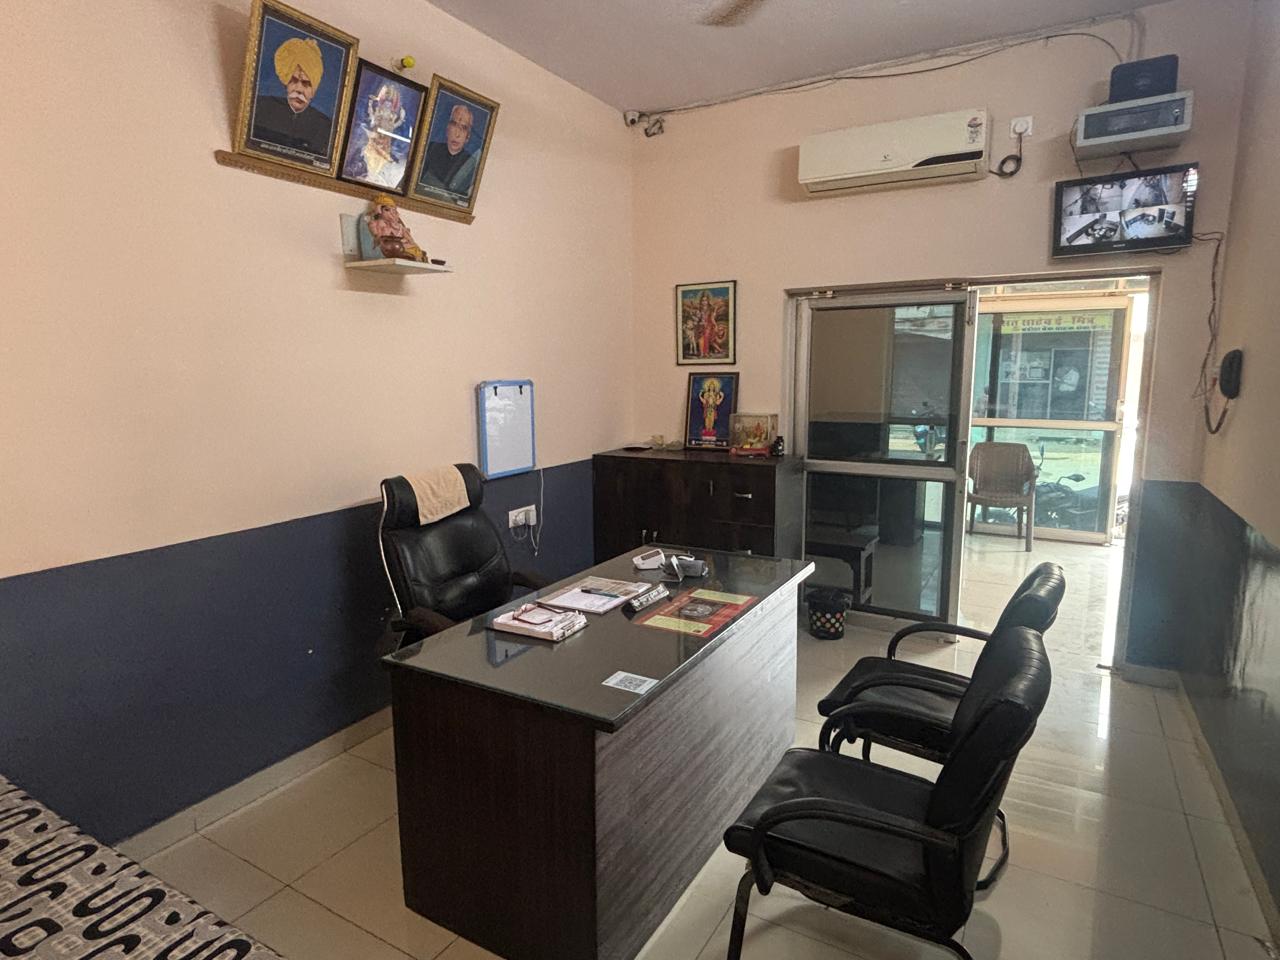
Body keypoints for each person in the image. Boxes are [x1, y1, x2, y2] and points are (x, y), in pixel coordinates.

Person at [251, 36, 334, 159]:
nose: (298, 89)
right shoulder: (260, 106)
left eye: (306, 83)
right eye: (294, 81)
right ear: (287, 84)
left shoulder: (326, 127)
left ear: (313, 91)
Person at [343, 80, 410, 189]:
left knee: (380, 160)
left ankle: (372, 174)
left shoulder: (392, 116)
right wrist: (370, 104)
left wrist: (401, 117)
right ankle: (366, 172)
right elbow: (372, 118)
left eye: (390, 102)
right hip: (375, 138)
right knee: (369, 156)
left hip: (385, 142)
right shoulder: (378, 112)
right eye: (386, 102)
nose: (388, 104)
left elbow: (395, 125)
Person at [418, 102, 480, 197]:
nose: (457, 134)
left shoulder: (471, 164)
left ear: (468, 136)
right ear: (447, 128)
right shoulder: (430, 149)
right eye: (454, 124)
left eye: (463, 128)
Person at [364, 194, 427, 262]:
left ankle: (412, 256)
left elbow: (411, 241)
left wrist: (404, 240)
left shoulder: (400, 226)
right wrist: (385, 227)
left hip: (400, 247)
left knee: (414, 249)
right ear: (379, 210)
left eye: (393, 210)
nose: (391, 213)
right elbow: (378, 238)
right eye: (387, 210)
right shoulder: (374, 223)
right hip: (386, 248)